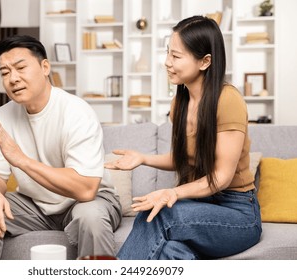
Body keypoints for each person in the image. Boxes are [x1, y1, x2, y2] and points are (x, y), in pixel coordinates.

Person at [105, 15, 262, 260]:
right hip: (201, 207)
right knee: (171, 250)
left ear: (205, 61)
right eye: (168, 53)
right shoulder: (180, 103)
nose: (167, 62)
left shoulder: (227, 100)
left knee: (162, 214)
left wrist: (174, 193)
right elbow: (183, 159)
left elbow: (221, 177)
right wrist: (142, 158)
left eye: (176, 56)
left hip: (237, 212)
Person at [0, 35, 122, 259]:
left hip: (88, 201)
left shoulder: (76, 112)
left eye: (20, 67)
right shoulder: (2, 117)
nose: (13, 78)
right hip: (34, 206)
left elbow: (85, 189)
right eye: (5, 72)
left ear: (44, 67)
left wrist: (22, 160)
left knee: (91, 218)